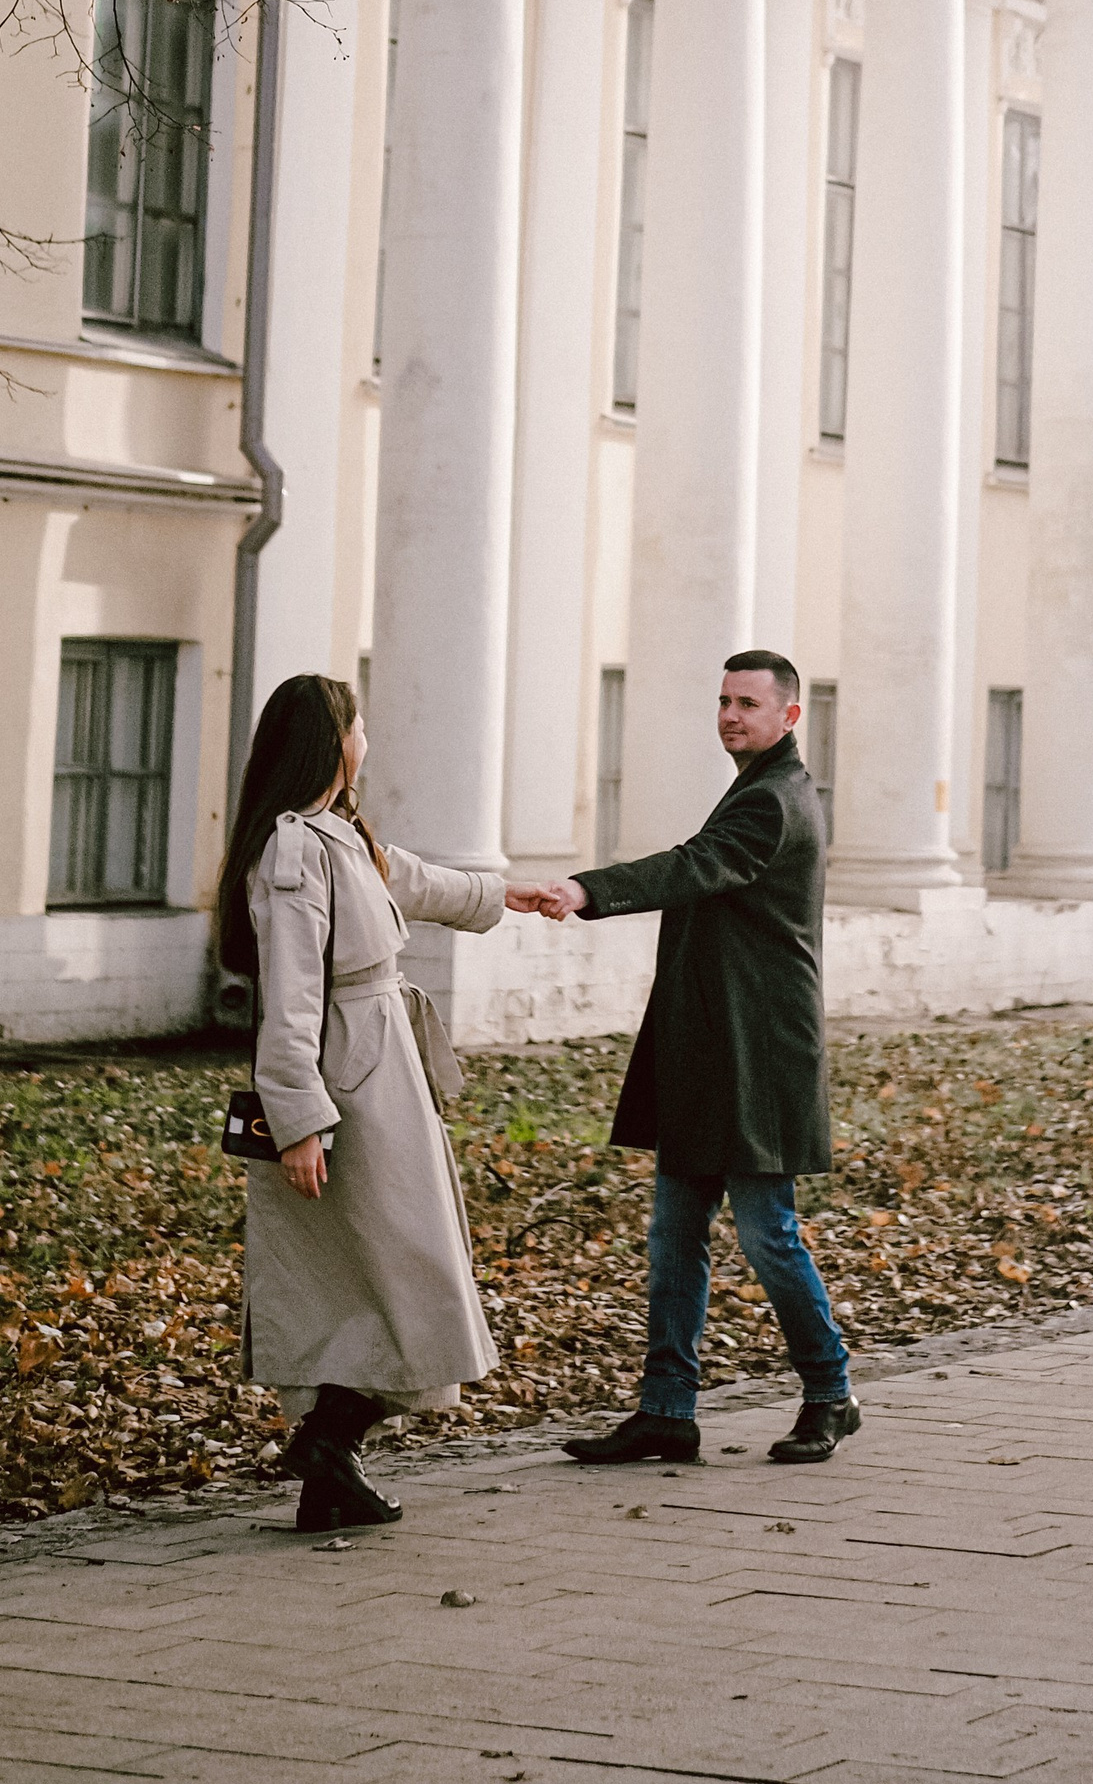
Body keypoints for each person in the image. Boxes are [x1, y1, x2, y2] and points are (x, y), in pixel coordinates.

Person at [216, 670, 544, 1534]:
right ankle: (329, 1447)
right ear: (332, 739)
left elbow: (412, 880)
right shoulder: (295, 847)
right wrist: (299, 1120)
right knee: (406, 1275)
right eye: (359, 723)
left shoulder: (338, 835)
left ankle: (330, 1456)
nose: (369, 737)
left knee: (400, 1277)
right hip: (349, 1082)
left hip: (380, 1069)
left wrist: (505, 894)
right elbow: (287, 998)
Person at [543, 653, 858, 1466]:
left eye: (748, 702)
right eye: (722, 699)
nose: (729, 714)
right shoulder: (755, 786)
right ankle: (666, 1411)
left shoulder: (776, 799)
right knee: (674, 1236)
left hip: (758, 1055)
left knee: (768, 1235)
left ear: (789, 715)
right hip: (707, 1050)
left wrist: (586, 889)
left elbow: (692, 864)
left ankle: (831, 1391)